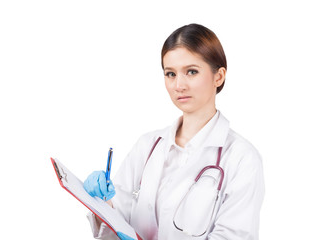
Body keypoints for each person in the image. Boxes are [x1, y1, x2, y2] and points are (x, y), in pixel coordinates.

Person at [84, 23, 265, 240]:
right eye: (170, 74)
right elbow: (117, 225)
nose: (179, 85)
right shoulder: (148, 146)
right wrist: (101, 204)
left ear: (219, 76)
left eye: (191, 72)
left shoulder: (241, 158)